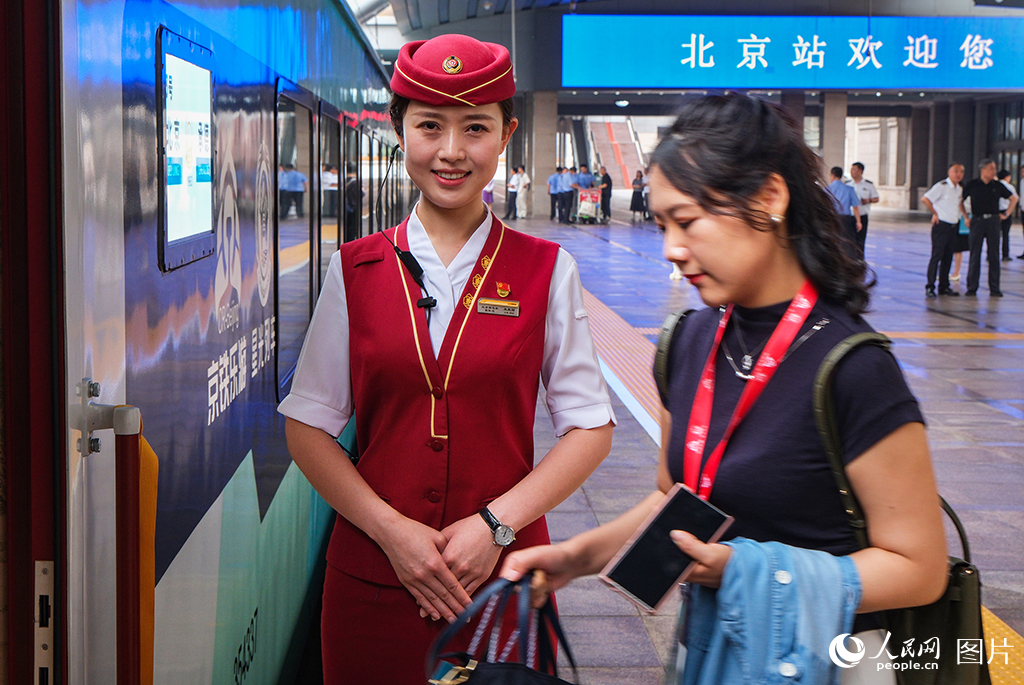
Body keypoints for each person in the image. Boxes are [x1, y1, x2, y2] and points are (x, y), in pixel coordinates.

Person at [500, 95, 947, 685]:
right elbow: (676, 503)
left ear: (769, 198)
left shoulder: (853, 368)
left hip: (829, 664)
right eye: (662, 226)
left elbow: (919, 568)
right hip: (718, 652)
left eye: (687, 221)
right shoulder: (688, 342)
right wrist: (574, 558)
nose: (671, 249)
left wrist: (743, 571)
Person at [277, 33, 615, 685]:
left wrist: (497, 524)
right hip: (372, 579)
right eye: (430, 125)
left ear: (507, 133)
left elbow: (591, 427)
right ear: (399, 130)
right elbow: (308, 425)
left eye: (476, 128)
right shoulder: (353, 268)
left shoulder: (548, 270)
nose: (452, 151)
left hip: (501, 580)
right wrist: (393, 532)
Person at [961, 159, 1017, 297]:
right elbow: (960, 201)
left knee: (994, 255)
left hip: (993, 221)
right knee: (975, 254)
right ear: (983, 170)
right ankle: (972, 287)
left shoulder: (997, 186)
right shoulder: (973, 185)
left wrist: (1006, 214)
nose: (994, 171)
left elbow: (1014, 198)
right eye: (991, 169)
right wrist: (966, 217)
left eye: (994, 169)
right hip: (977, 220)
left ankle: (995, 288)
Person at [921, 163, 965, 298]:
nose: (959, 174)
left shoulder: (959, 189)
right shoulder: (942, 186)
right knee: (937, 256)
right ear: (949, 172)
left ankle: (944, 287)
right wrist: (935, 213)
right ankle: (930, 286)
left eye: (961, 172)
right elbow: (925, 199)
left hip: (953, 226)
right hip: (941, 226)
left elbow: (959, 204)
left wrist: (966, 217)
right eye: (956, 171)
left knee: (948, 257)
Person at [846, 162, 878, 258]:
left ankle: (859, 261)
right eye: (851, 169)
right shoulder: (847, 184)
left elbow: (876, 198)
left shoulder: (868, 185)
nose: (852, 172)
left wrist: (869, 200)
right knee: (849, 240)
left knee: (860, 241)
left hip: (862, 216)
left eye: (854, 169)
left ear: (861, 171)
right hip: (849, 216)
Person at [826, 166, 861, 252]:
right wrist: (859, 221)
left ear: (832, 176)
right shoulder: (849, 189)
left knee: (832, 240)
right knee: (846, 242)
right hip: (845, 219)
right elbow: (855, 207)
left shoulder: (826, 190)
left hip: (831, 218)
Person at [998, 169, 1018, 262]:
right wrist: (1007, 213)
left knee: (994, 235)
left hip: (996, 212)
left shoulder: (995, 185)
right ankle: (1005, 255)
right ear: (1007, 177)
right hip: (1006, 211)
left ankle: (991, 254)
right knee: (1005, 234)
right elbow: (1015, 198)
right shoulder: (1009, 187)